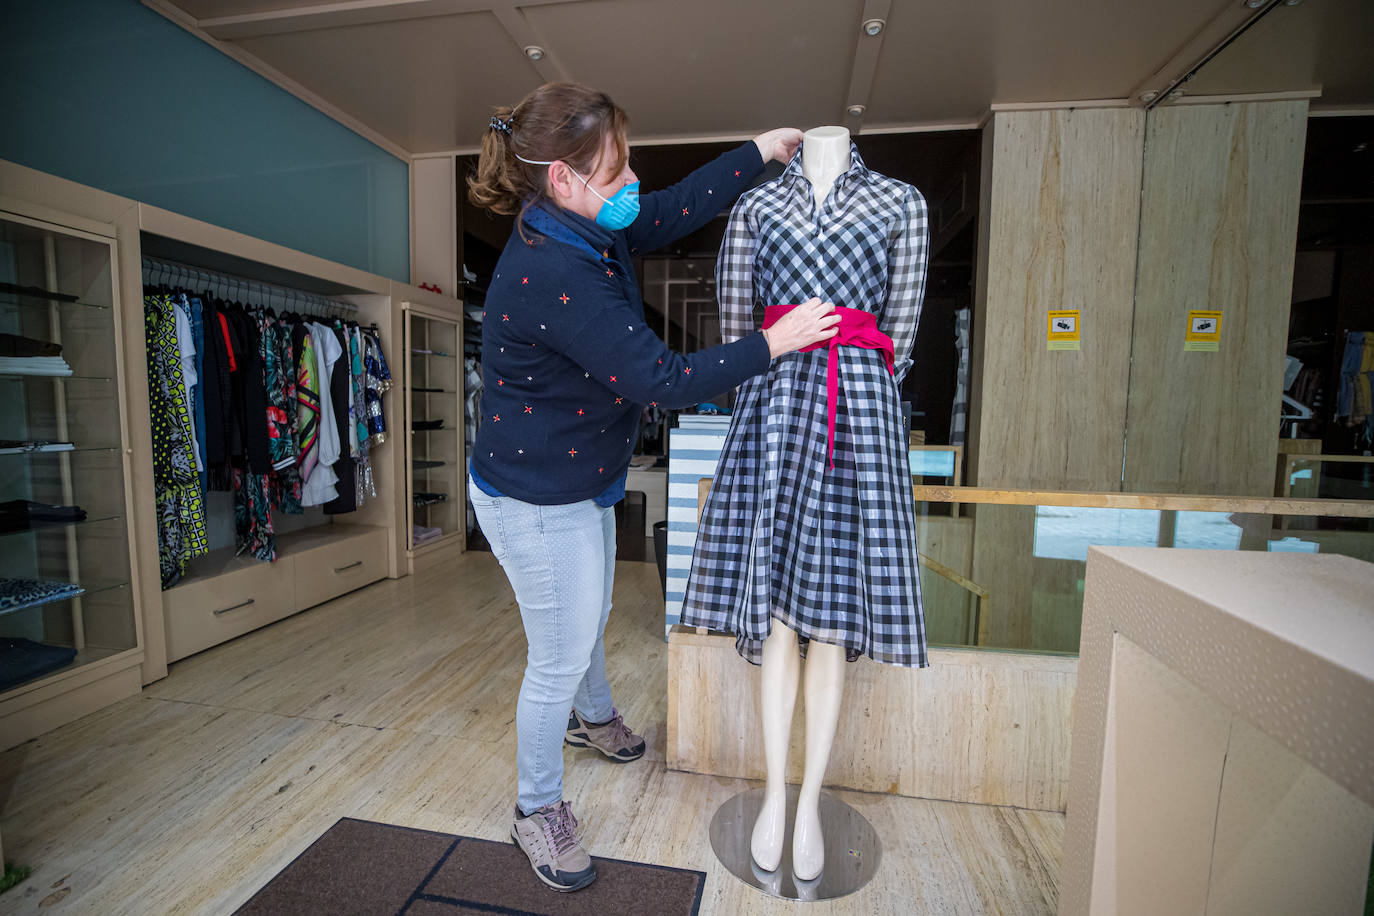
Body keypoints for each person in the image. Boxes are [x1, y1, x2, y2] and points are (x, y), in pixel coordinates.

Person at [465, 81, 840, 893]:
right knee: (558, 652)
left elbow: (663, 211)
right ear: (562, 179)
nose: (631, 180)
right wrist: (771, 344)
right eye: (616, 168)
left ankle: (593, 720)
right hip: (532, 495)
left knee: (590, 608)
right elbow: (663, 377)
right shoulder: (550, 273)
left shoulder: (589, 227)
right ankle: (537, 808)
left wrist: (755, 152)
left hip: (577, 472)